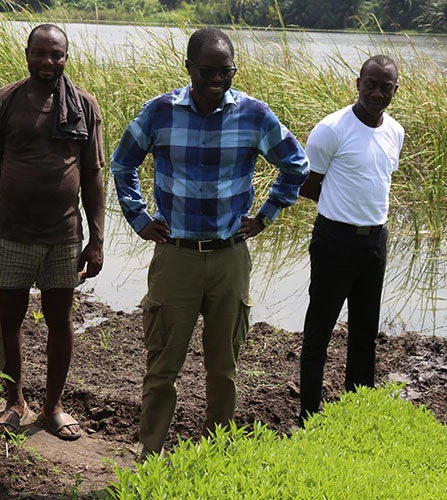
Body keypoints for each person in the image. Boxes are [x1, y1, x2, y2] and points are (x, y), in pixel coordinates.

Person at [110, 27, 309, 458]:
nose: (218, 80)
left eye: (227, 71)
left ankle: (213, 456)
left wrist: (265, 216)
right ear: (189, 68)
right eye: (209, 71)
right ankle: (150, 456)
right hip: (175, 256)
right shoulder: (160, 112)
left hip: (229, 258)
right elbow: (123, 162)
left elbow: (296, 165)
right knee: (163, 367)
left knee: (224, 368)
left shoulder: (254, 115)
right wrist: (139, 217)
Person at [0, 24, 104, 441]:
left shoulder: (84, 104)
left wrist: (97, 239)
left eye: (57, 55)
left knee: (60, 322)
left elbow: (92, 176)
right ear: (27, 53)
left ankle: (53, 407)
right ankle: (15, 401)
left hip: (63, 235)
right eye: (41, 53)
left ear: (67, 57)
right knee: (9, 321)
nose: (48, 62)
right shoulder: (2, 102)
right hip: (10, 230)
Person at [298, 55, 403, 424]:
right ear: (357, 83)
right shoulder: (331, 129)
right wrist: (340, 209)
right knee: (318, 334)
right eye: (370, 84)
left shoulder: (395, 131)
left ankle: (357, 416)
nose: (376, 93)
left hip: (375, 241)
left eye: (384, 87)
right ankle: (308, 417)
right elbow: (309, 185)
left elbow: (379, 181)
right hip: (335, 240)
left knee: (365, 334)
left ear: (395, 89)